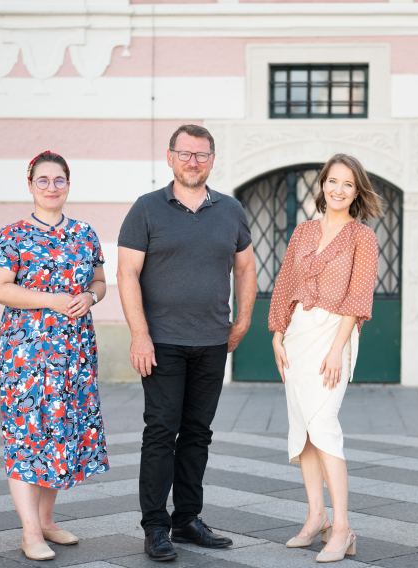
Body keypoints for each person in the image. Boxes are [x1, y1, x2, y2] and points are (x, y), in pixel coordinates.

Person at [117, 124, 256, 562]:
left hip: (212, 341)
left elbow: (246, 269)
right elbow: (126, 275)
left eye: (201, 154)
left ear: (212, 160)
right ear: (170, 157)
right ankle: (156, 526)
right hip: (162, 344)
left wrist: (243, 322)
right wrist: (140, 334)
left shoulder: (231, 210)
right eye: (185, 153)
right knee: (161, 432)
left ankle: (187, 519)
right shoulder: (146, 209)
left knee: (198, 433)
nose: (193, 161)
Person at [0, 151, 110, 561]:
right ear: (30, 185)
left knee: (60, 433)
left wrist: (90, 297)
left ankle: (47, 521)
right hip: (27, 352)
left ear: (68, 185)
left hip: (73, 350)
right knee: (27, 436)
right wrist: (53, 300)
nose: (52, 187)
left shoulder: (84, 233)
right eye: (43, 180)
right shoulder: (13, 234)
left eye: (59, 180)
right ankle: (28, 532)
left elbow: (99, 280)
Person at [267, 154, 380, 563]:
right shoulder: (302, 233)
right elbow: (285, 284)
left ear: (357, 191)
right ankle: (316, 516)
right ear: (322, 186)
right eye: (332, 181)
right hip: (297, 336)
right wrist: (277, 334)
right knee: (304, 430)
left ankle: (344, 526)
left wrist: (338, 348)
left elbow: (359, 296)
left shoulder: (361, 237)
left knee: (324, 426)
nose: (338, 189)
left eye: (347, 184)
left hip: (334, 336)